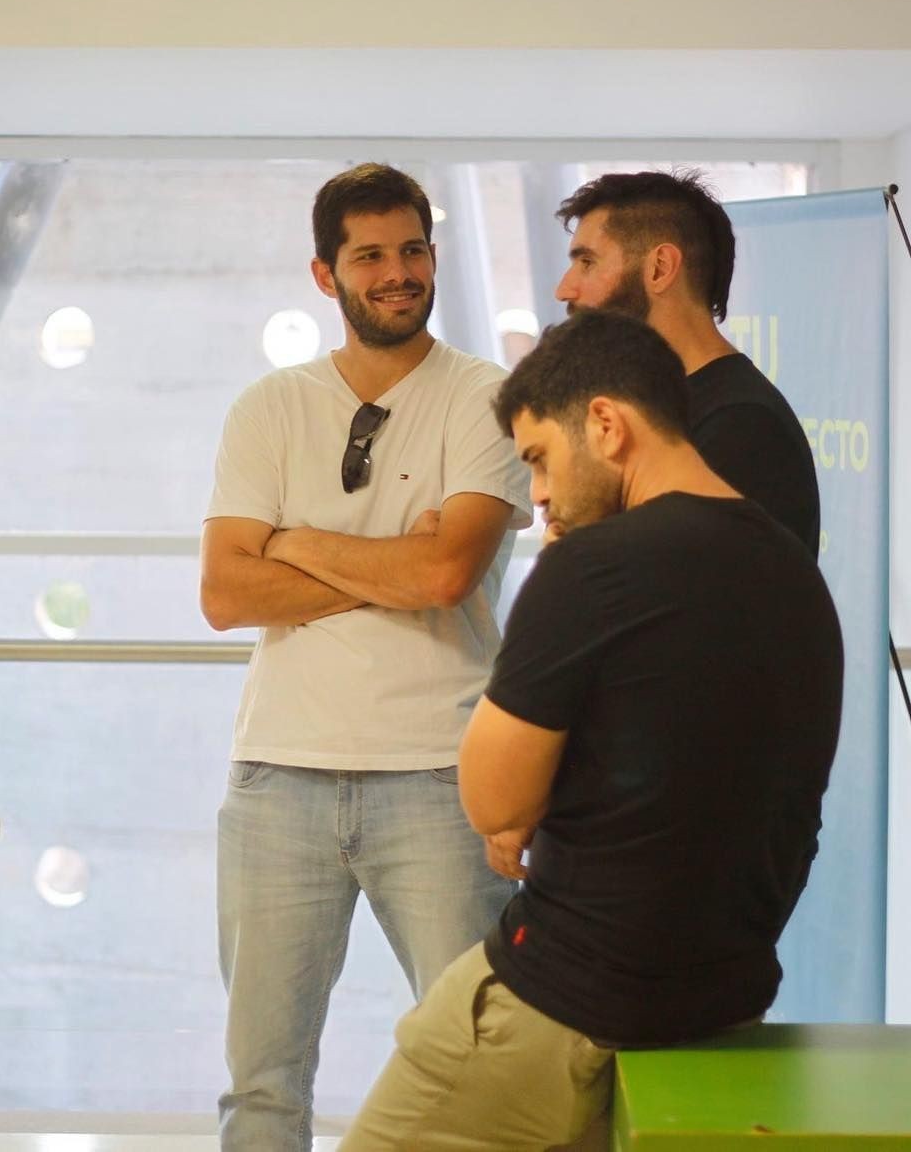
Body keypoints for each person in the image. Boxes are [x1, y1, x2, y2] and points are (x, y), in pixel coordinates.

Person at [341, 310, 844, 1151]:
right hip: (716, 1008)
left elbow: (491, 798)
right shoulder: (796, 574)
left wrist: (521, 808)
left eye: (539, 459)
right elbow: (705, 769)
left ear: (607, 425)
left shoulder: (591, 567)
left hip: (558, 1006)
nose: (536, 495)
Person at [200, 163, 531, 1151]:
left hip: (438, 775)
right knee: (262, 1086)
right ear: (325, 273)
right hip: (277, 782)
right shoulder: (270, 407)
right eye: (371, 255)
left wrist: (294, 542)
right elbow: (225, 592)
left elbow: (445, 577)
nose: (398, 273)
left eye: (414, 250)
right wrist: (397, 560)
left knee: (479, 1067)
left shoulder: (486, 398)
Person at [553, 169, 819, 555]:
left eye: (588, 262)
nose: (564, 288)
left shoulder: (742, 427)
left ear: (660, 268)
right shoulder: (655, 409)